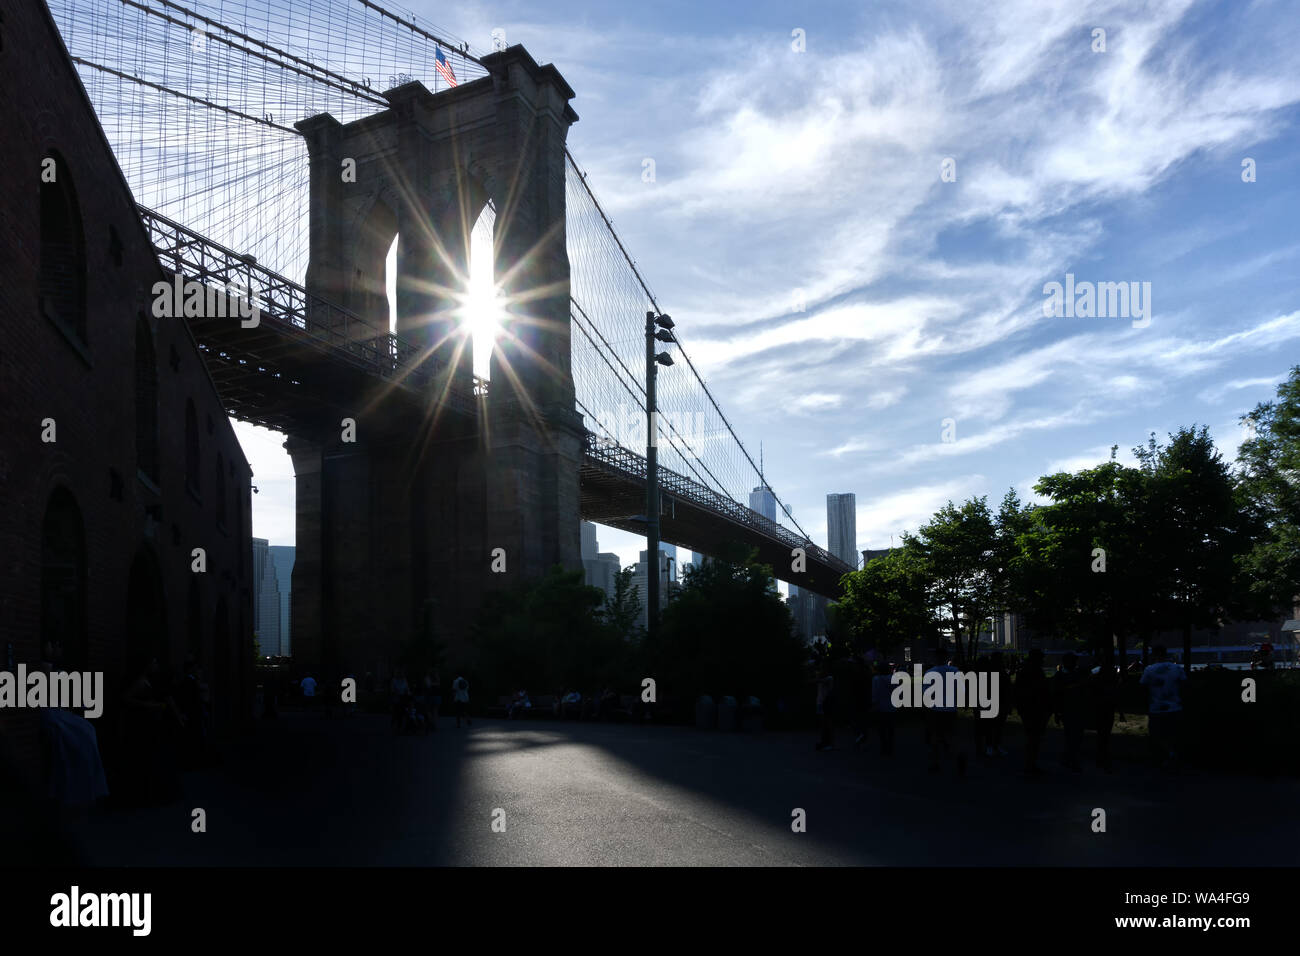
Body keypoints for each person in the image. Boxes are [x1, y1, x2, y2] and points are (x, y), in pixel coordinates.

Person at [1139, 645, 1186, 770]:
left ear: (1154, 654)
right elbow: (1184, 686)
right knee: (1174, 735)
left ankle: (1164, 758)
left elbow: (1143, 687)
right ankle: (1173, 756)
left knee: (1157, 735)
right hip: (1175, 707)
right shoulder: (1176, 668)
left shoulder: (1149, 670)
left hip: (1156, 708)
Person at [1014, 649, 1051, 776]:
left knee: (1032, 738)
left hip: (1028, 708)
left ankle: (1030, 765)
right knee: (1033, 739)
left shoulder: (1024, 670)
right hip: (1034, 709)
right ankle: (1030, 765)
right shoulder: (1035, 671)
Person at [924, 653, 962, 774]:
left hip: (936, 709)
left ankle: (935, 762)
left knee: (935, 735)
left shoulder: (930, 672)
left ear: (935, 659)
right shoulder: (955, 671)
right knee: (951, 734)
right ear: (946, 658)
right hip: (950, 708)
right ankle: (955, 760)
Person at [1052, 652, 1088, 772]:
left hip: (1072, 709)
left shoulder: (1061, 675)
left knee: (1073, 736)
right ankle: (1072, 759)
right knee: (1073, 736)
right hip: (1071, 710)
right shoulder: (1073, 675)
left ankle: (1069, 758)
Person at [1090, 660, 1123, 773]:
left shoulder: (1096, 678)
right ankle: (1104, 756)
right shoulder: (1112, 680)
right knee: (1105, 734)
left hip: (1100, 708)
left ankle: (1100, 757)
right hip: (1108, 708)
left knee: (1101, 734)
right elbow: (1116, 696)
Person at [869, 661, 897, 756]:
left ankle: (883, 747)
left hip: (880, 707)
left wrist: (873, 705)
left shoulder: (876, 679)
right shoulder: (893, 678)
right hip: (891, 706)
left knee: (881, 728)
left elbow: (874, 694)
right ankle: (890, 747)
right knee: (890, 728)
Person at [814, 663, 835, 751]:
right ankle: (824, 742)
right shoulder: (823, 678)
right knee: (823, 724)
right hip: (820, 703)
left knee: (826, 724)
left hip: (825, 703)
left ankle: (828, 743)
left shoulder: (829, 678)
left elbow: (817, 680)